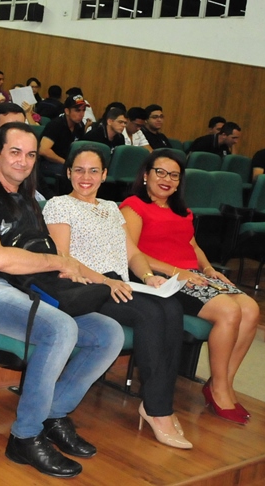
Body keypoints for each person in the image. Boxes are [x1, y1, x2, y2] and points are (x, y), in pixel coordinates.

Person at [0, 123, 123, 478]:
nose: (24, 161)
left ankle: (53, 415)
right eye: (15, 152)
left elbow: (53, 258)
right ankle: (25, 436)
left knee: (108, 333)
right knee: (60, 329)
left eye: (31, 154)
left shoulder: (30, 202)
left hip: (31, 288)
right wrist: (55, 263)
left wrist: (92, 277)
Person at [43, 144, 190, 449]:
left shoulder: (111, 208)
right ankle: (157, 410)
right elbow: (63, 258)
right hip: (86, 285)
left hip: (118, 284)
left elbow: (132, 252)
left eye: (93, 171)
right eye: (79, 170)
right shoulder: (59, 205)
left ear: (104, 174)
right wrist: (105, 281)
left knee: (172, 307)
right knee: (150, 314)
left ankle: (160, 402)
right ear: (68, 173)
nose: (86, 177)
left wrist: (148, 276)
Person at [121, 149, 259, 425]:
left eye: (174, 175)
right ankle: (219, 391)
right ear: (146, 175)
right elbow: (132, 253)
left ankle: (222, 383)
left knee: (251, 308)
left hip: (192, 274)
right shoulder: (132, 206)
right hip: (161, 277)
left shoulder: (182, 211)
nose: (167, 179)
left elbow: (192, 246)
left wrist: (209, 270)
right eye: (160, 172)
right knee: (229, 311)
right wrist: (178, 272)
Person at [39, 94, 87, 178]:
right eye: (77, 110)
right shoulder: (55, 125)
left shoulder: (80, 125)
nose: (81, 114)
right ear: (67, 111)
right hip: (47, 163)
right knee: (72, 172)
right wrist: (65, 163)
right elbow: (43, 150)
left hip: (67, 163)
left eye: (83, 110)